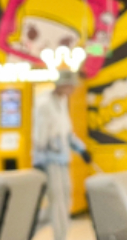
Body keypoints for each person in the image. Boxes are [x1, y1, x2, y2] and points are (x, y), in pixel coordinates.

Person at [33, 69, 91, 240]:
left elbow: (66, 133)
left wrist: (81, 149)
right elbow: (40, 137)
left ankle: (60, 234)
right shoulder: (44, 104)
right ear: (63, 85)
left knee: (64, 198)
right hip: (50, 161)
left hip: (63, 160)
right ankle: (59, 237)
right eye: (71, 86)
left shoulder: (62, 102)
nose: (73, 89)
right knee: (57, 201)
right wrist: (39, 162)